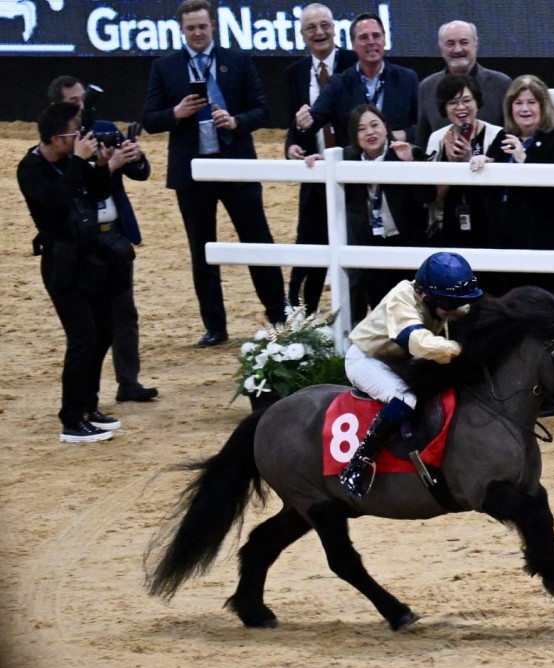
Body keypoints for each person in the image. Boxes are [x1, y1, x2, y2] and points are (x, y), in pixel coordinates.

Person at [143, 0, 285, 346]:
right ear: (181, 30)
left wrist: (236, 122)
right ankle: (215, 326)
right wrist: (176, 113)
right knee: (202, 248)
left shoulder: (237, 61)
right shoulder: (165, 67)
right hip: (192, 172)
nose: (197, 33)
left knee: (258, 241)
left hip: (236, 164)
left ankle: (279, 315)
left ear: (213, 27)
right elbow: (150, 119)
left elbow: (263, 110)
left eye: (202, 27)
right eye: (190, 28)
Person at [17, 102, 124, 442]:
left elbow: (97, 193)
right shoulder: (30, 168)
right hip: (61, 264)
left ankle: (88, 407)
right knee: (82, 338)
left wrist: (104, 166)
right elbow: (55, 201)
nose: (80, 138)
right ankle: (71, 419)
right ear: (55, 138)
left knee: (104, 331)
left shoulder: (68, 161)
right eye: (73, 134)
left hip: (90, 258)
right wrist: (80, 161)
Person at [49, 76, 158, 403]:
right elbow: (69, 191)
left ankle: (129, 382)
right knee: (90, 323)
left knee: (125, 313)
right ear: (57, 106)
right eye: (73, 103)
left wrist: (134, 156)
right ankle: (86, 394)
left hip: (116, 235)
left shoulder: (105, 127)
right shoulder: (59, 141)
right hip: (83, 241)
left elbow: (141, 173)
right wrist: (106, 166)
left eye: (83, 99)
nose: (81, 107)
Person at [339, 252, 483, 498]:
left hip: (397, 360)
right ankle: (356, 465)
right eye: (448, 304)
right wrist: (458, 350)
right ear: (427, 296)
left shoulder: (433, 298)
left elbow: (465, 309)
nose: (452, 309)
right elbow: (419, 343)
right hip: (366, 359)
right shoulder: (401, 299)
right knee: (406, 400)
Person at [311, 104, 434, 314]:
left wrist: (410, 164)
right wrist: (318, 168)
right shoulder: (347, 158)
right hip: (369, 241)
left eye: (375, 125)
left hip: (405, 241)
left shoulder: (406, 151)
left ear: (386, 127)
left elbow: (428, 196)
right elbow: (335, 197)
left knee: (414, 308)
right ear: (354, 135)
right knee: (378, 307)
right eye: (361, 129)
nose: (370, 132)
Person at [469, 75, 554, 303]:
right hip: (506, 242)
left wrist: (523, 159)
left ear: (543, 106)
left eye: (531, 102)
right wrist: (484, 164)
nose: (524, 109)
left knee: (546, 311)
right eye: (518, 103)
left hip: (546, 244)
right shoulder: (503, 137)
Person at [283, 3, 357, 314]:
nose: (319, 32)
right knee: (309, 246)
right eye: (311, 28)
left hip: (353, 173)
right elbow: (294, 124)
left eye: (324, 25)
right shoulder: (294, 73)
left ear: (335, 29)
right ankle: (300, 317)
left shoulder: (354, 63)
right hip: (314, 173)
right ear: (302, 35)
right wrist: (291, 145)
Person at [295, 12, 419, 148]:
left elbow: (425, 128)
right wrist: (302, 124)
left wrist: (403, 134)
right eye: (364, 37)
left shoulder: (407, 79)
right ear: (353, 45)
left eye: (376, 36)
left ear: (384, 40)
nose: (371, 42)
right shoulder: (339, 84)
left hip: (396, 164)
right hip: (352, 165)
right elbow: (313, 121)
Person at [424, 74, 503, 249]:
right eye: (452, 102)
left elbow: (498, 193)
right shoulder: (437, 139)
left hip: (489, 226)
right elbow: (432, 197)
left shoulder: (497, 135)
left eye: (467, 100)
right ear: (444, 108)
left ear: (477, 102)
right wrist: (453, 166)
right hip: (448, 225)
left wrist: (469, 162)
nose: (460, 107)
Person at [414, 20, 511, 149]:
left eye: (464, 42)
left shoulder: (501, 84)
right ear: (441, 48)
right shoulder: (427, 87)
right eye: (450, 44)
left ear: (476, 44)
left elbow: (512, 136)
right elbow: (422, 142)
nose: (458, 49)